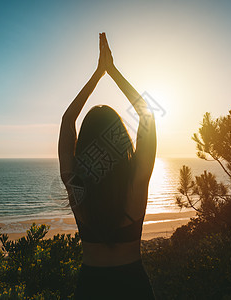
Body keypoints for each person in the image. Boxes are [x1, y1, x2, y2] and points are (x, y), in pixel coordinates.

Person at [58, 32, 156, 300]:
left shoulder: (77, 187)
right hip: (134, 286)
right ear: (122, 142)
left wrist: (97, 75)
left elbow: (68, 121)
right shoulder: (135, 183)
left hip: (91, 286)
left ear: (84, 145)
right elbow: (145, 113)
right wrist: (111, 70)